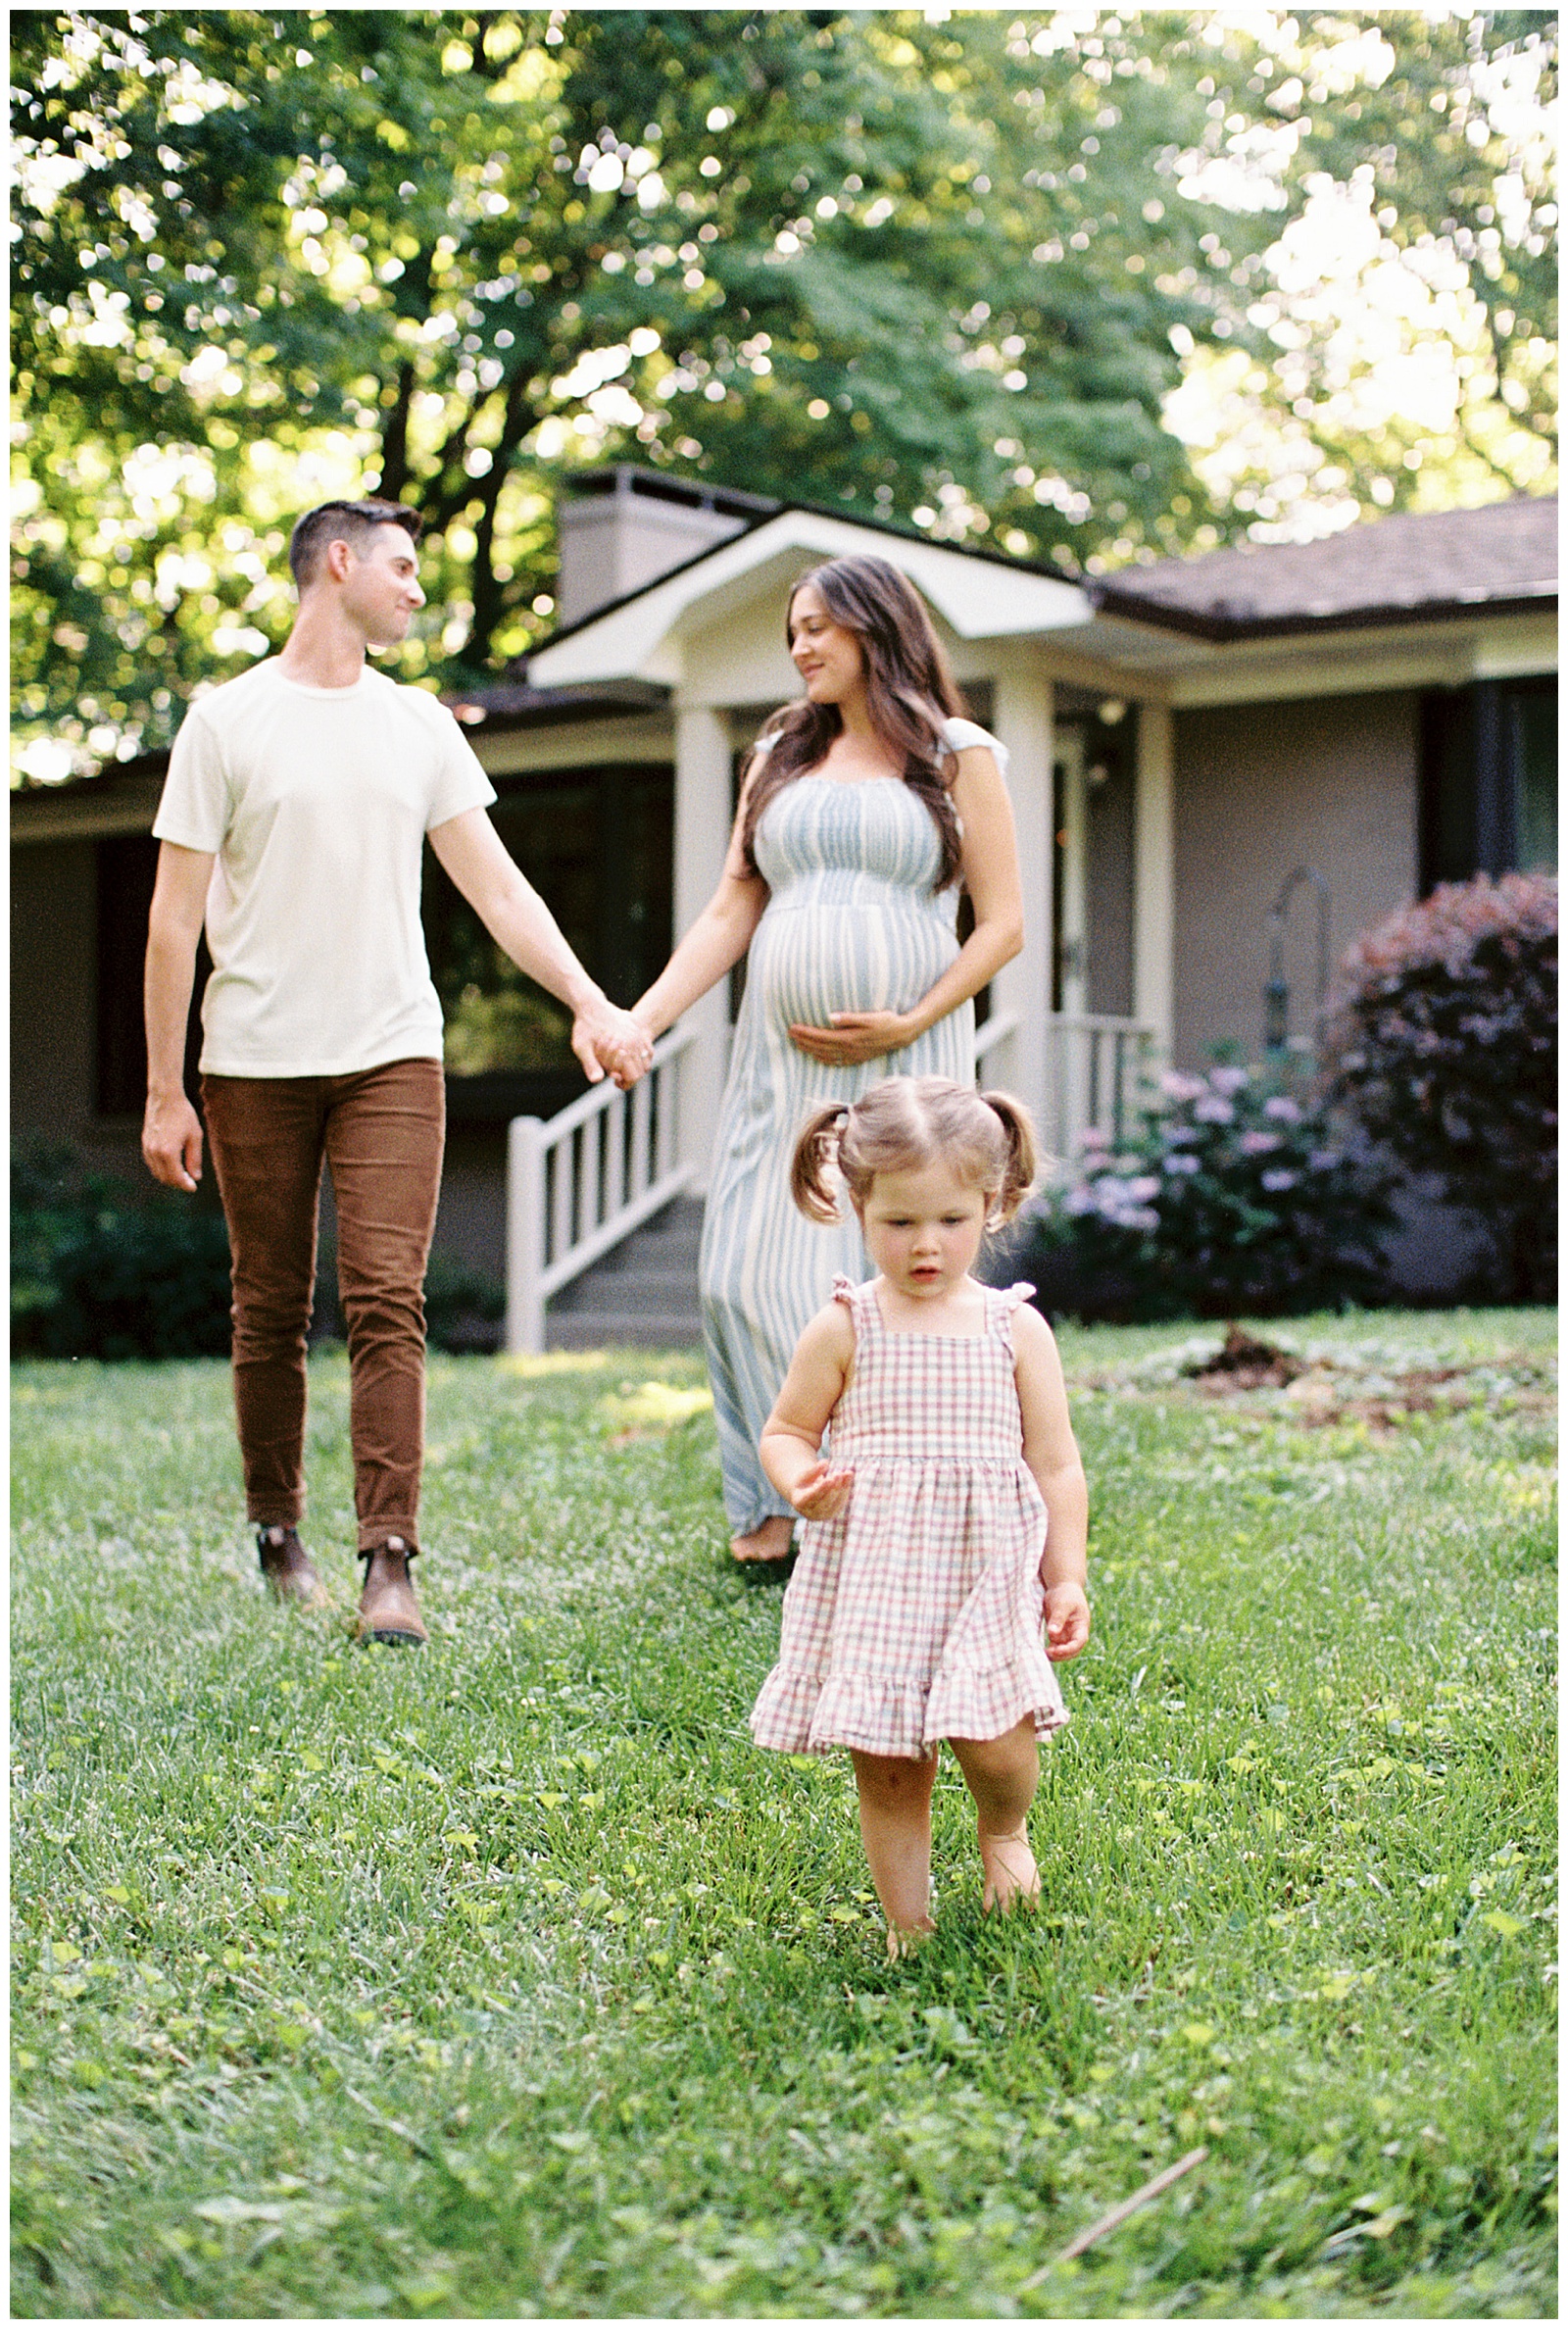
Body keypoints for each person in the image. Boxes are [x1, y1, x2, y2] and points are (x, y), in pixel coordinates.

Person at [141, 496, 651, 1645]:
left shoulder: (420, 724)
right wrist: (166, 1089)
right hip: (254, 1060)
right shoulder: (226, 724)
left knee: (386, 1302)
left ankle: (389, 1562)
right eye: (403, 567)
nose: (418, 588)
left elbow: (501, 888)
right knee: (268, 1308)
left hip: (390, 1055)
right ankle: (279, 1532)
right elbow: (173, 925)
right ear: (337, 565)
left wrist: (588, 1001)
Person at [628, 556, 1025, 1564]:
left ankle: (883, 1506)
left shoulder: (956, 752)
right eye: (792, 631)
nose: (801, 647)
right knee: (743, 1279)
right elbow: (731, 907)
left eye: (818, 628)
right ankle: (782, 1496)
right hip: (782, 1069)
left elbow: (1004, 926)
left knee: (894, 1276)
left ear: (875, 629)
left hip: (911, 1064)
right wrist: (645, 1019)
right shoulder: (778, 756)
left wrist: (909, 1019)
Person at [750, 1077, 1090, 1957]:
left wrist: (1067, 1575)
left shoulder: (1014, 1332)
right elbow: (786, 1429)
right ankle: (909, 1923)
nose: (926, 1245)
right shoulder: (846, 1326)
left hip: (984, 1574)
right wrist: (799, 1481)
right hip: (880, 1584)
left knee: (999, 1741)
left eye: (950, 1220)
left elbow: (1054, 1463)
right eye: (899, 1223)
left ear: (992, 1203)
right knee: (891, 1766)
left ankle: (1004, 1830)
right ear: (854, 1204)